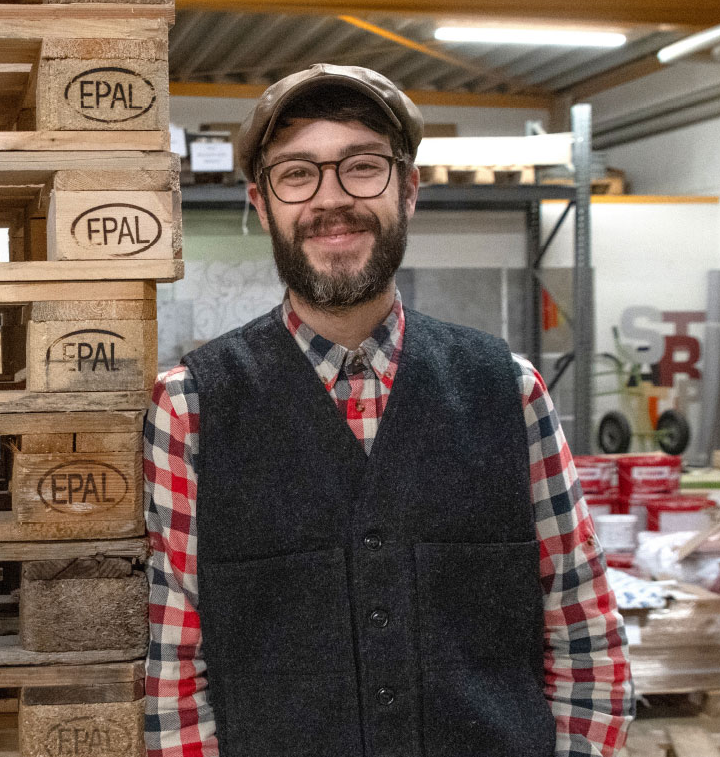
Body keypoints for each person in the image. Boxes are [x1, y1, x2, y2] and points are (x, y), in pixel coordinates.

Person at [143, 64, 633, 757]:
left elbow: (585, 637)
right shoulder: (191, 408)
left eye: (363, 167)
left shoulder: (509, 392)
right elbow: (174, 671)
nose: (332, 198)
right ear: (262, 203)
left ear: (408, 190)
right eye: (297, 174)